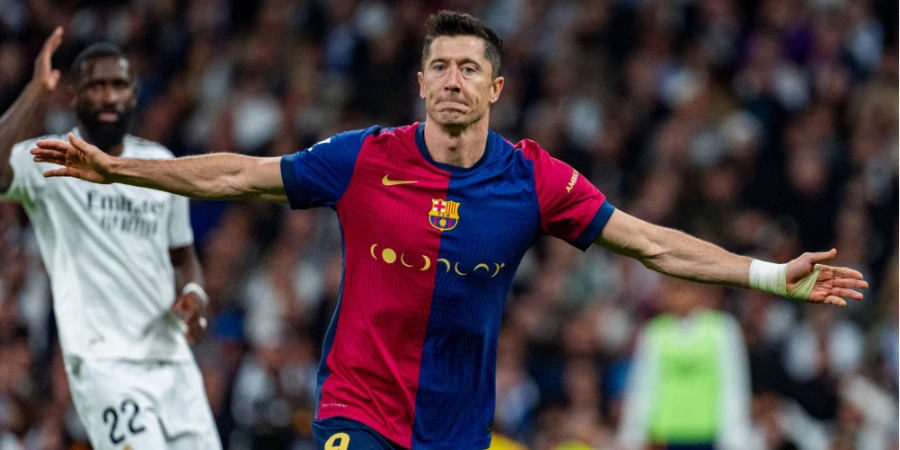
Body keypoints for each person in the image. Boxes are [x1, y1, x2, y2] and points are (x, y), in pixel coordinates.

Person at [31, 11, 868, 450]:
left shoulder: (533, 179)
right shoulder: (365, 158)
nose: (453, 80)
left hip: (457, 429)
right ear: (421, 82)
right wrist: (121, 169)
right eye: (440, 66)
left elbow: (650, 242)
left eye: (470, 68)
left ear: (495, 87)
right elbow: (238, 175)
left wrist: (768, 274)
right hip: (358, 409)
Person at [0, 28, 221, 449]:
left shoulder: (159, 164)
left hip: (172, 359)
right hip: (105, 363)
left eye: (118, 85)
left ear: (134, 95)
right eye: (96, 85)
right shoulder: (49, 158)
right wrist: (35, 91)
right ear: (73, 95)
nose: (108, 95)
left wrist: (193, 292)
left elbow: (182, 256)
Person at [617, 279, 754, 450]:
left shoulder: (722, 330)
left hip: (708, 433)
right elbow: (643, 385)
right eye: (670, 290)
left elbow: (733, 383)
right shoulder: (655, 332)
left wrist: (736, 436)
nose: (676, 297)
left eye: (681, 289)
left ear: (697, 291)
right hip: (664, 433)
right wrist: (633, 434)